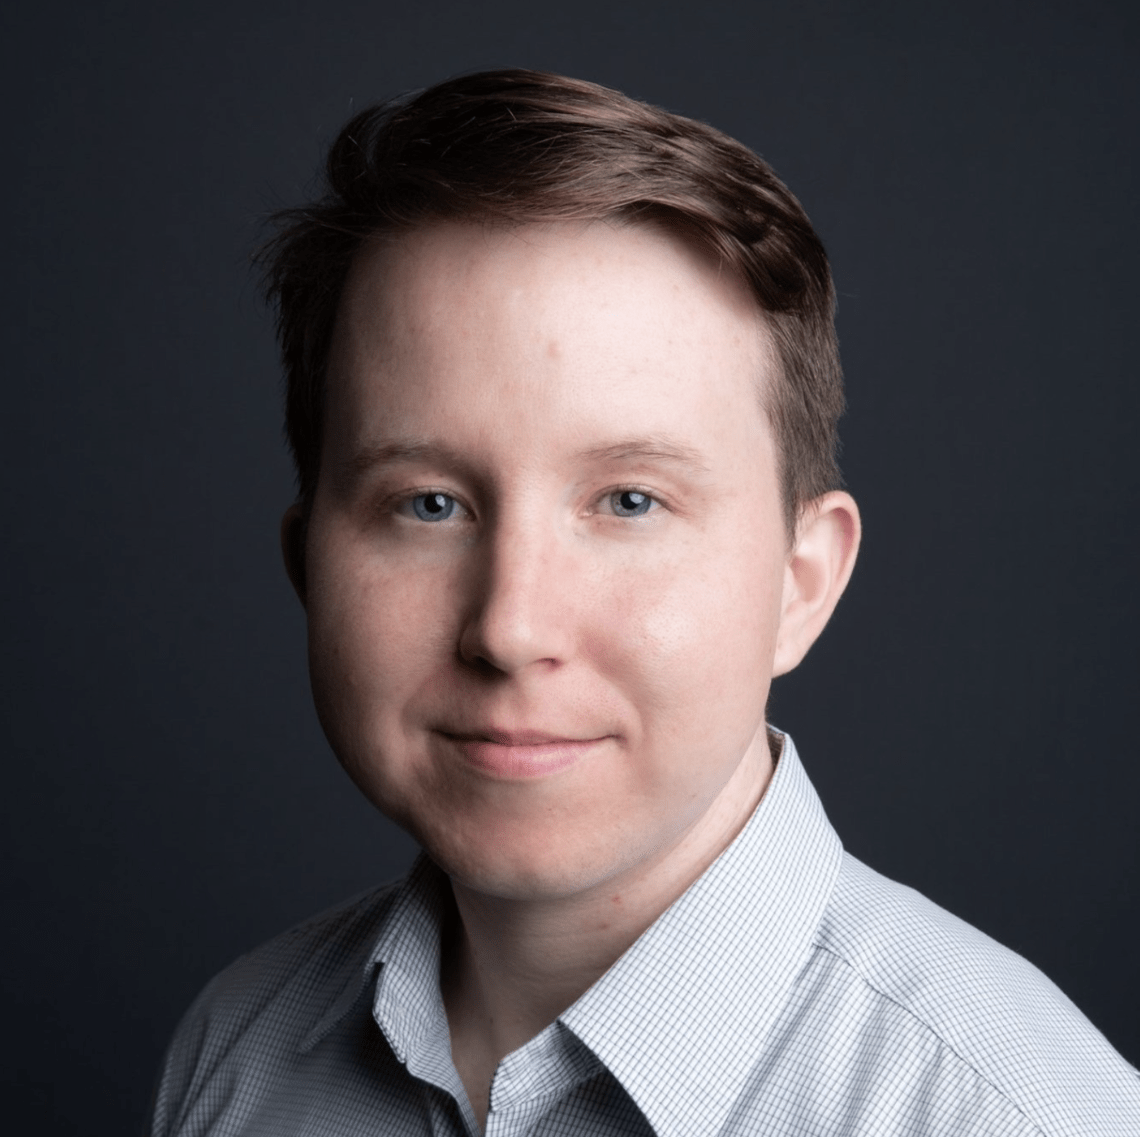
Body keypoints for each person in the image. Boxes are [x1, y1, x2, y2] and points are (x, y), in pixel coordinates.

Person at [148, 69, 1140, 1136]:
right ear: (308, 564)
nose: (510, 628)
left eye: (630, 501)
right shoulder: (241, 1052)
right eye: (428, 503)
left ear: (802, 583)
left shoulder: (1007, 1113)